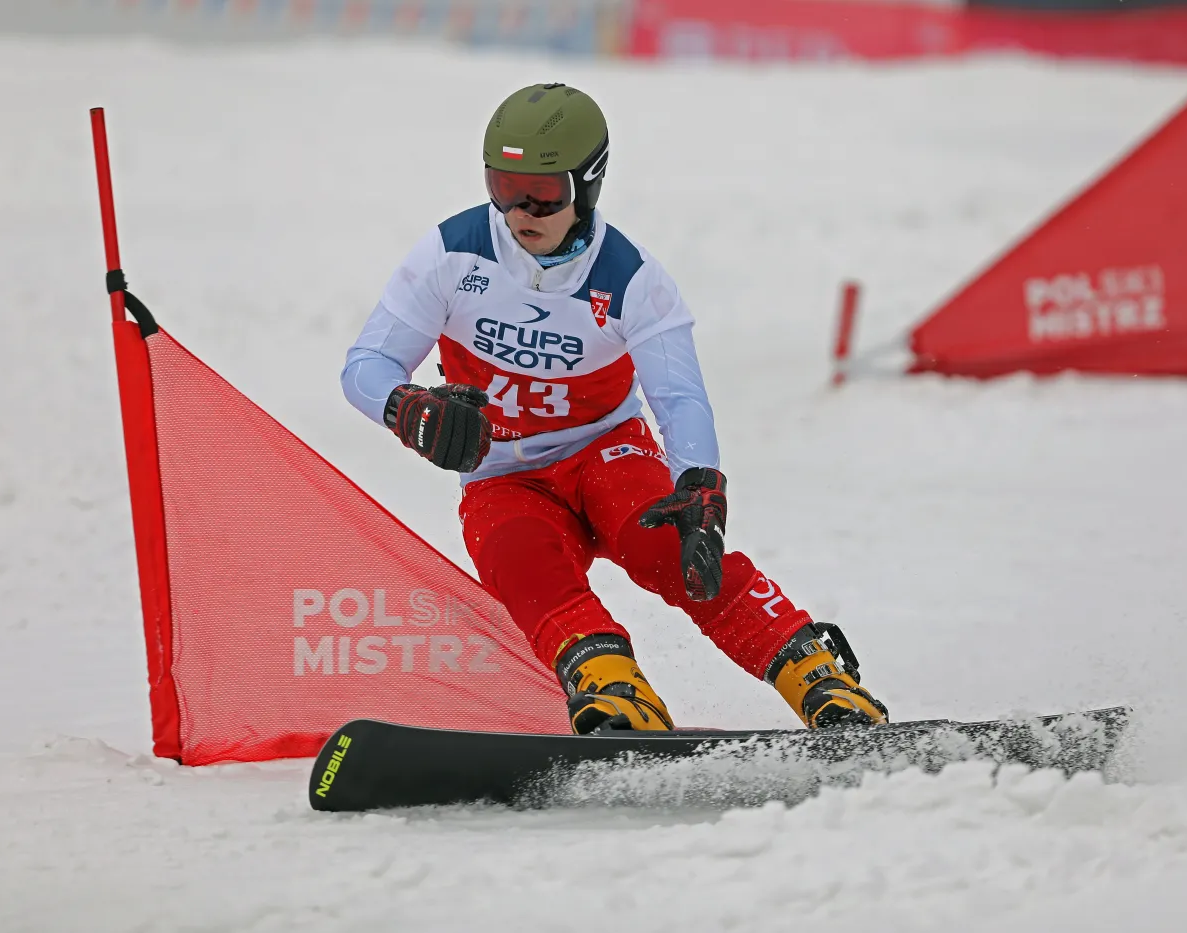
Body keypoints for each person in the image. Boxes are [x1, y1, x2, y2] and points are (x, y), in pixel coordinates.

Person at [341, 83, 888, 734]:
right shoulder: (450, 255)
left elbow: (678, 396)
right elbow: (365, 366)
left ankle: (818, 675)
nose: (520, 211)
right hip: (502, 473)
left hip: (605, 452)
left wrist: (700, 484)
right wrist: (408, 407)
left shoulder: (632, 278)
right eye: (502, 185)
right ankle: (612, 689)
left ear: (588, 184)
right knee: (522, 567)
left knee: (670, 549)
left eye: (543, 194)